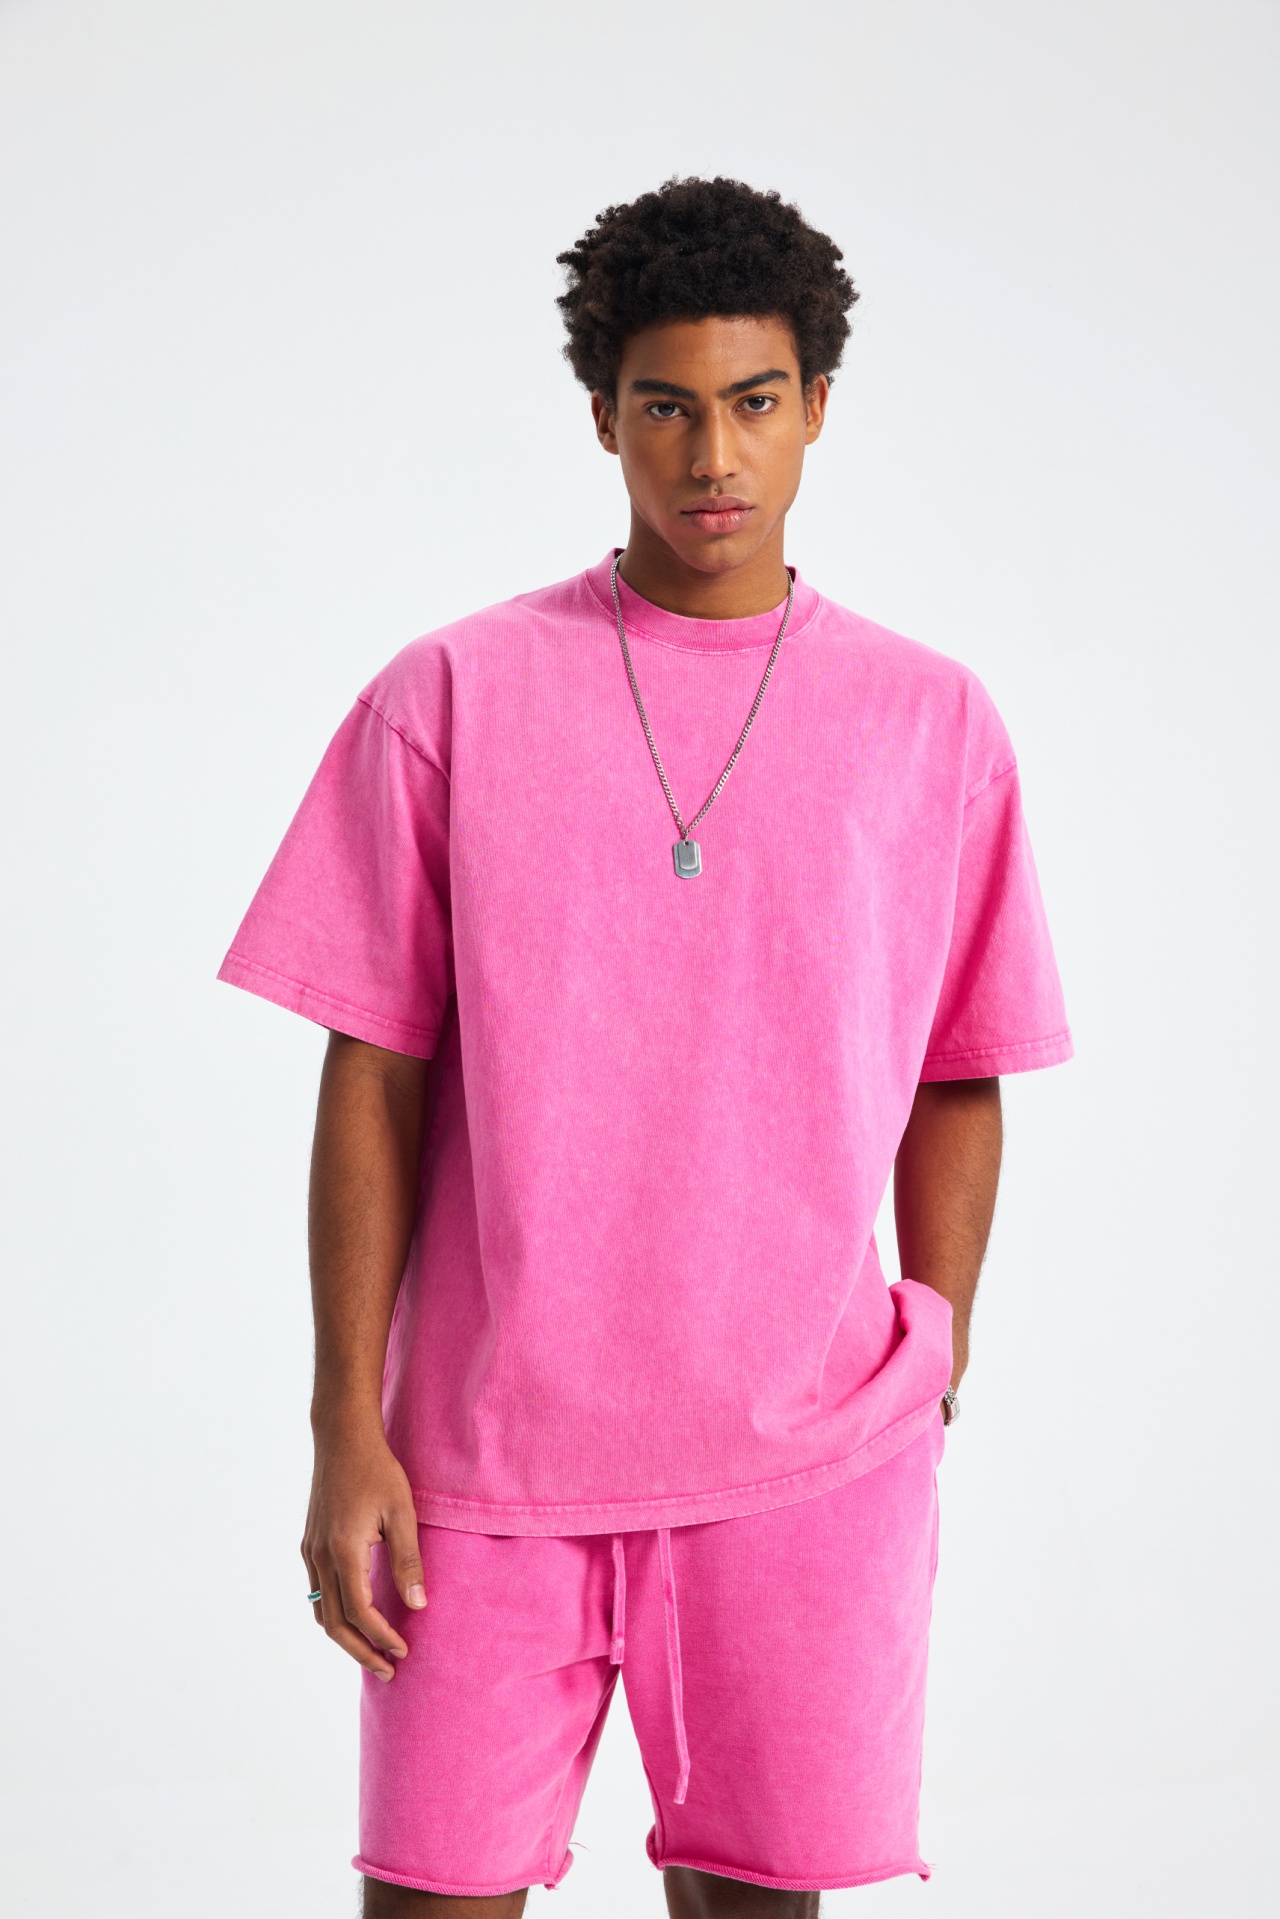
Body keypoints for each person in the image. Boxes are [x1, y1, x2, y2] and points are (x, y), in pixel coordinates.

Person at [218, 176, 1072, 1917]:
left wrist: (937, 1348)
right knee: (431, 1898)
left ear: (817, 406)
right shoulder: (451, 697)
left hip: (808, 1462)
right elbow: (371, 1075)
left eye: (754, 403)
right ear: (603, 415)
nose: (713, 457)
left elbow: (960, 1065)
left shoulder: (931, 723)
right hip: (480, 1461)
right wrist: (342, 1424)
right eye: (666, 407)